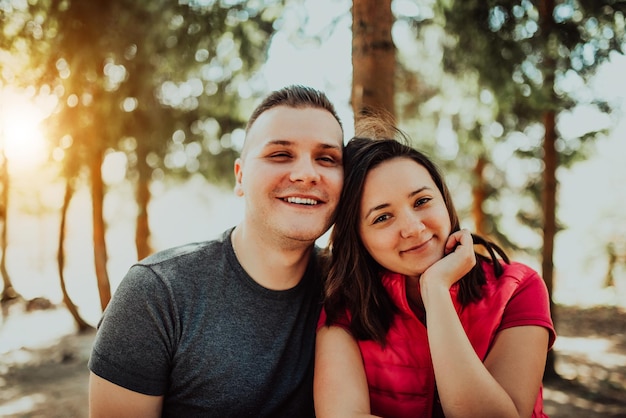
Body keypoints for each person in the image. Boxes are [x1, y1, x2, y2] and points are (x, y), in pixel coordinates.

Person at [88, 85, 345, 417]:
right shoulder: (156, 294)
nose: (307, 174)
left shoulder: (349, 287)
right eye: (280, 154)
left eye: (327, 158)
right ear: (240, 177)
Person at [314, 125, 556, 418]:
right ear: (358, 237)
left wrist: (437, 289)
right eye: (383, 217)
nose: (414, 228)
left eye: (422, 201)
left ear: (444, 200)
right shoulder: (345, 306)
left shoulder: (518, 288)